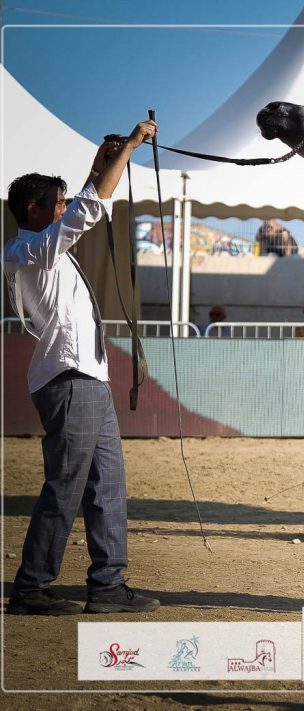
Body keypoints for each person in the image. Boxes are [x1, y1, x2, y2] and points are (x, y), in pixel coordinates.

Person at [3, 120, 161, 615]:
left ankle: (108, 584)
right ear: (33, 210)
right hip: (69, 379)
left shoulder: (42, 245)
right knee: (67, 486)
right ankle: (31, 588)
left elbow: (84, 203)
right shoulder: (27, 250)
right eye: (57, 202)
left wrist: (102, 163)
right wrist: (129, 148)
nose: (64, 206)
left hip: (87, 379)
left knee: (106, 484)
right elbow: (89, 209)